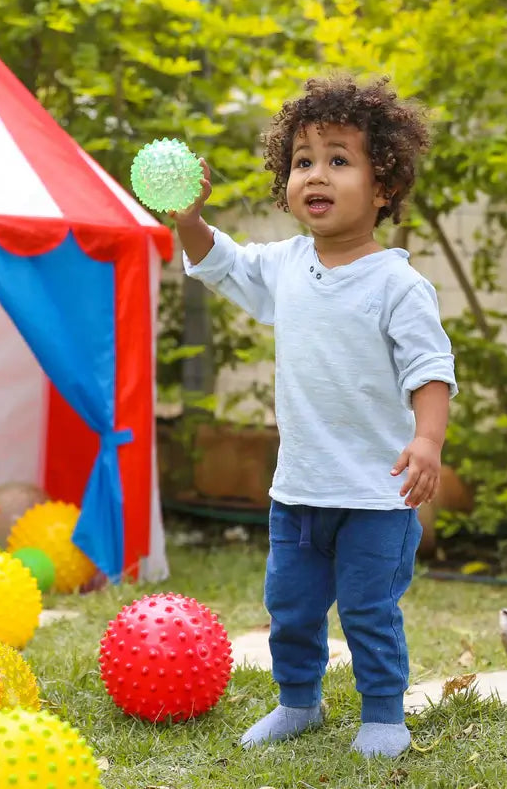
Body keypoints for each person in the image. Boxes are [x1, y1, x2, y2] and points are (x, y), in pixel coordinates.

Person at [175, 75, 458, 758]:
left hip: (374, 494)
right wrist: (186, 215)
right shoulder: (287, 265)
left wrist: (426, 439)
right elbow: (221, 262)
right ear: (285, 181)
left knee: (368, 610)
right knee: (292, 611)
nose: (316, 173)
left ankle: (383, 714)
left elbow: (431, 371)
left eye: (339, 159)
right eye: (303, 160)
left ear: (383, 185)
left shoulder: (398, 284)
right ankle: (298, 702)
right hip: (298, 490)